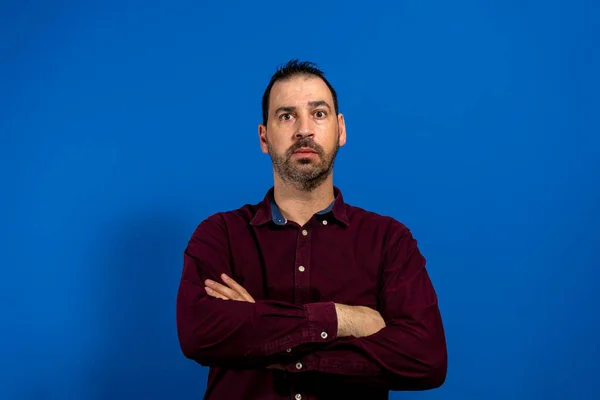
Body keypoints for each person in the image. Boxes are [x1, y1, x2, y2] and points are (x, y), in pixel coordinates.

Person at [176, 60, 447, 400]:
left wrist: (266, 337)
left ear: (341, 129)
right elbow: (199, 333)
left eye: (318, 114)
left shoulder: (389, 241)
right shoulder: (220, 234)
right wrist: (343, 319)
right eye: (286, 116)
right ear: (264, 137)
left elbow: (426, 359)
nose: (304, 129)